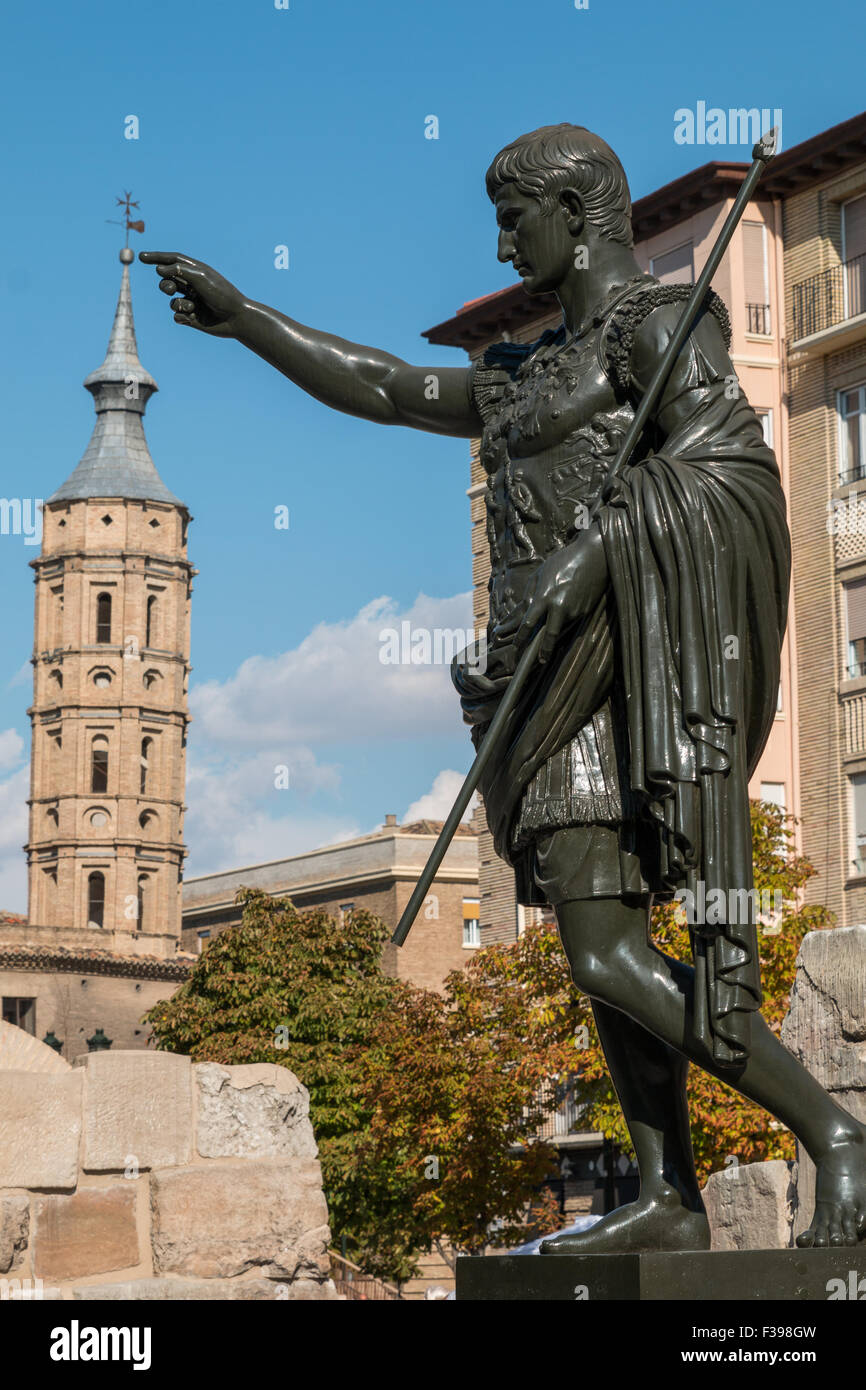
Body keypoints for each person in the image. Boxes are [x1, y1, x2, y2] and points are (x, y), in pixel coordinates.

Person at [141, 123, 866, 1252]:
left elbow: (728, 475)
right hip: (532, 683)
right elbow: (384, 385)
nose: (494, 246)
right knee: (599, 946)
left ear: (575, 217)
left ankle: (831, 1131)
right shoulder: (526, 371)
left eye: (508, 218)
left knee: (601, 951)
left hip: (618, 677)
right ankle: (664, 1194)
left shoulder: (662, 328)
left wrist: (609, 542)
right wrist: (246, 322)